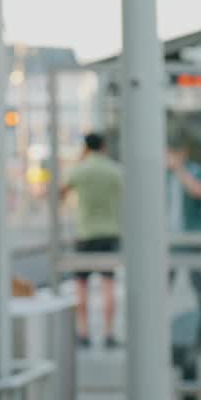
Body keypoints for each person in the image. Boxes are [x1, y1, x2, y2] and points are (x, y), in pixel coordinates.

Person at [61, 132, 123, 349]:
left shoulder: (80, 170)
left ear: (86, 148)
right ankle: (108, 333)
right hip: (109, 233)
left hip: (85, 234)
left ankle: (84, 332)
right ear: (104, 146)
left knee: (81, 286)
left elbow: (60, 193)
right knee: (108, 285)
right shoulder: (114, 170)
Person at [166, 143, 201, 295]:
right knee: (164, 278)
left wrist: (180, 170)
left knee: (196, 277)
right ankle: (156, 314)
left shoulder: (195, 171)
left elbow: (199, 192)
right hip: (170, 235)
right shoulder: (164, 174)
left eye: (172, 154)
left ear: (182, 153)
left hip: (192, 233)